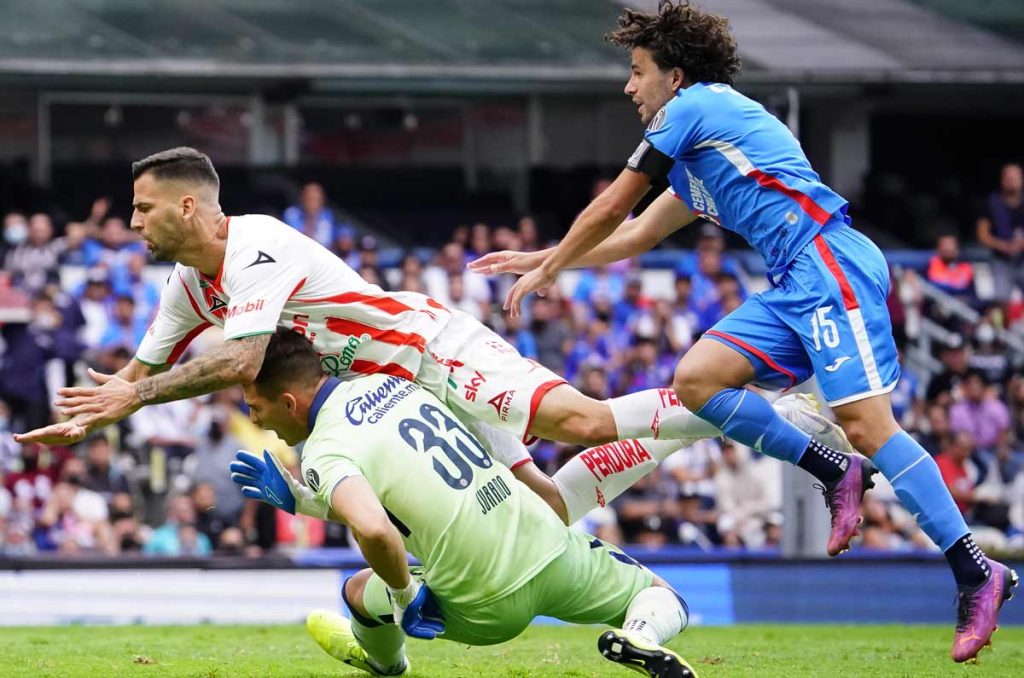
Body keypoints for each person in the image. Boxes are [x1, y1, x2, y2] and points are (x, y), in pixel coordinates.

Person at [468, 1, 1016, 661]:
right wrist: (543, 257)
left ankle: (975, 569)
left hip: (828, 265)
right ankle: (831, 467)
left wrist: (552, 267)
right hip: (792, 283)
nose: (629, 87)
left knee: (871, 425)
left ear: (674, 75)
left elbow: (617, 202)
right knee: (698, 379)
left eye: (638, 71)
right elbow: (638, 232)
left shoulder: (693, 108)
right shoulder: (701, 154)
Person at [15, 146, 841, 537]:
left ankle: (767, 410)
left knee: (583, 424)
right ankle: (718, 421)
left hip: (429, 349)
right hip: (396, 396)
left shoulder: (255, 243)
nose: (131, 223)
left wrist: (133, 394)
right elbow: (137, 371)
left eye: (142, 208)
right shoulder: (188, 285)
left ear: (188, 208)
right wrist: (84, 419)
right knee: (546, 514)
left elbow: (237, 362)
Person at [230, 328, 696, 677]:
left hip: (485, 602)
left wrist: (404, 597)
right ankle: (640, 636)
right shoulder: (394, 381)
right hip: (550, 547)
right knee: (660, 595)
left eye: (256, 408)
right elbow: (396, 486)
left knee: (357, 591)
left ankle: (385, 663)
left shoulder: (325, 449)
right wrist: (305, 502)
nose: (256, 419)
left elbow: (374, 528)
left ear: (290, 403)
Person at [975, 163, 1024, 302]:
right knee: (1000, 301)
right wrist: (1004, 247)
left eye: (1015, 178)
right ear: (1002, 180)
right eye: (1009, 178)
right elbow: (982, 235)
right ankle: (1000, 324)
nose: (1012, 181)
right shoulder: (991, 202)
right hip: (1001, 260)